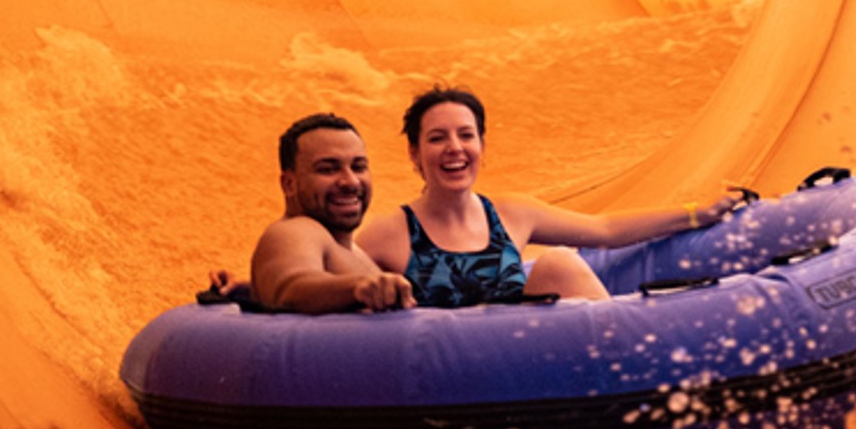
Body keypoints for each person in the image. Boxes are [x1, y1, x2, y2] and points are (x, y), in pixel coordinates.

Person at [354, 86, 744, 307]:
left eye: (466, 135)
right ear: (415, 153)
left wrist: (697, 213)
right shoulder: (389, 234)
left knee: (558, 264)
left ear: (482, 146)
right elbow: (336, 281)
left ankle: (639, 369)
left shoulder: (511, 213)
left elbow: (605, 229)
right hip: (454, 376)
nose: (454, 148)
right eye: (437, 138)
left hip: (529, 363)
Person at [243, 113, 416, 313]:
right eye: (328, 169)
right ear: (289, 184)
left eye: (358, 167)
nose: (351, 181)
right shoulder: (294, 231)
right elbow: (291, 289)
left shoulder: (351, 251)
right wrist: (357, 287)